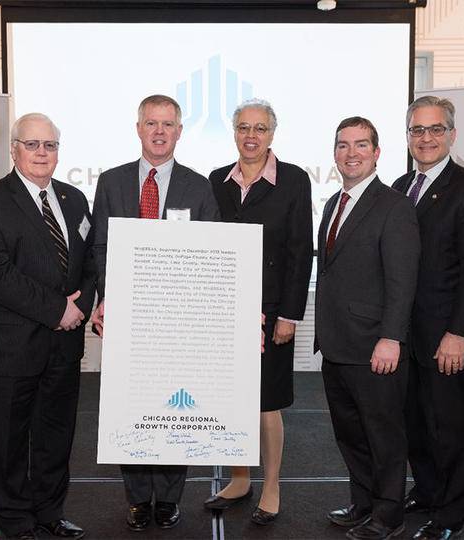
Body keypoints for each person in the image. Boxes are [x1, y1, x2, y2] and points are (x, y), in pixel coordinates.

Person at [90, 94, 220, 531]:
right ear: (139, 128)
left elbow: (211, 254)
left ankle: (167, 498)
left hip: (177, 324)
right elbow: (101, 249)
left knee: (173, 407)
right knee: (132, 408)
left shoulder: (199, 187)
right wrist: (105, 299)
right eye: (151, 123)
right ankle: (137, 498)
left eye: (168, 124)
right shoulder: (110, 182)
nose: (159, 131)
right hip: (127, 320)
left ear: (179, 132)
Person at [0, 113, 95, 540]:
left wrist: (83, 306)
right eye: (32, 144)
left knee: (55, 437)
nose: (42, 153)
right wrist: (58, 309)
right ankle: (15, 522)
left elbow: (90, 263)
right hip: (8, 348)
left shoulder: (75, 199)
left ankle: (49, 513)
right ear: (14, 149)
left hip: (63, 346)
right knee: (5, 443)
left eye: (50, 145)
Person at [203, 98, 313, 525]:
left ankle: (271, 485)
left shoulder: (294, 180)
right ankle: (239, 478)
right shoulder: (216, 180)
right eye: (243, 127)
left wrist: (290, 314)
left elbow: (301, 250)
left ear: (272, 133)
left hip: (272, 312)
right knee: (232, 400)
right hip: (225, 312)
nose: (251, 136)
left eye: (260, 128)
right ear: (233, 132)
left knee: (267, 403)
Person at [317, 116, 421, 540]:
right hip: (337, 344)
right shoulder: (332, 203)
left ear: (377, 153)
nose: (351, 153)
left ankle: (388, 514)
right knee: (351, 434)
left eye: (361, 145)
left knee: (384, 436)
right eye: (343, 145)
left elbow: (402, 279)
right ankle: (362, 502)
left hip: (375, 346)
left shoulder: (394, 206)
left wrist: (391, 337)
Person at [391, 97, 464, 540]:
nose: (425, 138)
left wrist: (459, 333)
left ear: (451, 134)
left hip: (446, 334)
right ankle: (428, 491)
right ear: (408, 136)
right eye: (417, 130)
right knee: (413, 421)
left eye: (435, 130)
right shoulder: (398, 186)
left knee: (451, 428)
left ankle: (451, 515)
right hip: (404, 333)